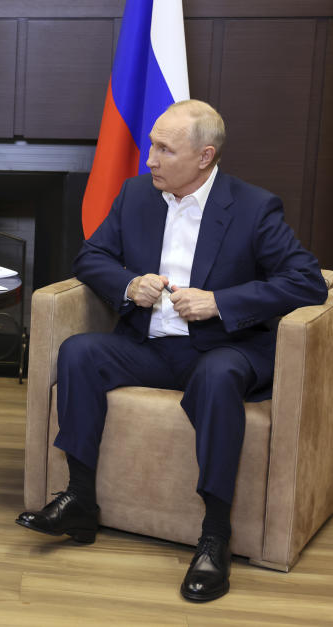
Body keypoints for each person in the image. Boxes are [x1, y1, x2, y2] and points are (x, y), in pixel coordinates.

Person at [16, 100, 327, 602]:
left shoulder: (253, 207)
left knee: (219, 374)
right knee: (79, 353)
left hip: (224, 350)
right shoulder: (136, 195)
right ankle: (79, 499)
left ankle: (215, 537)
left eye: (165, 149)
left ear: (205, 156)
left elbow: (307, 282)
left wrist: (220, 302)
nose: (151, 160)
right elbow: (91, 255)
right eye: (152, 145)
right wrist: (128, 284)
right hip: (149, 345)